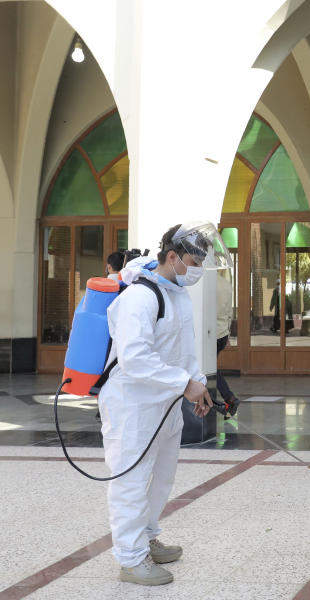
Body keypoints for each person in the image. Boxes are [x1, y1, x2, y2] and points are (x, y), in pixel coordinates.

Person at [99, 222, 227, 586]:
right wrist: (182, 383)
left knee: (162, 477)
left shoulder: (177, 294)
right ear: (172, 257)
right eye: (194, 261)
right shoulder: (140, 297)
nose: (198, 270)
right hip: (132, 407)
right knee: (132, 481)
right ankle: (131, 558)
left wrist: (198, 385)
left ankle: (148, 537)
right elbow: (134, 358)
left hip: (165, 405)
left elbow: (183, 352)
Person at [215, 268, 240, 418]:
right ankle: (228, 401)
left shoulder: (204, 284)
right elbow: (230, 312)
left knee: (207, 369)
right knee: (210, 368)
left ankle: (229, 399)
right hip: (222, 332)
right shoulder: (225, 283)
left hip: (210, 333)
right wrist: (228, 333)